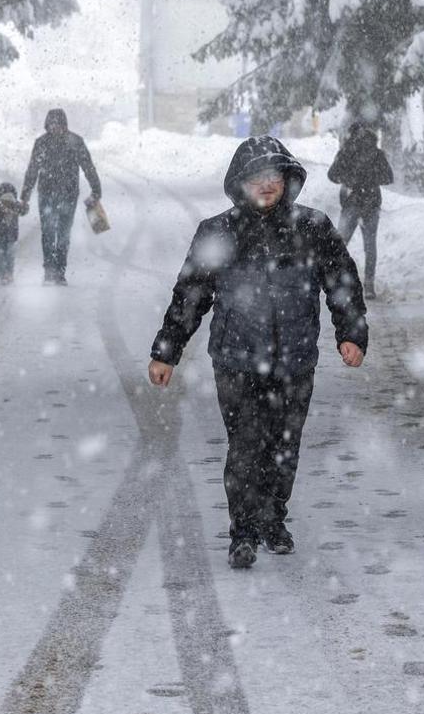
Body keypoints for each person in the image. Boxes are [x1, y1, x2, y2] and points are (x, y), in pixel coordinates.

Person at [147, 136, 369, 570]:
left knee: (285, 447)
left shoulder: (313, 227)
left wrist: (352, 334)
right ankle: (243, 531)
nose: (267, 185)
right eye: (256, 178)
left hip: (295, 359)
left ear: (288, 181)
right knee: (246, 446)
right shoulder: (218, 232)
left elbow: (342, 283)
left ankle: (274, 518)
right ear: (240, 184)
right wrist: (166, 352)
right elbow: (190, 295)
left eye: (274, 176)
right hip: (236, 360)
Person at [20, 108, 102, 285]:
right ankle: (49, 270)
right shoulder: (41, 143)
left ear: (64, 125)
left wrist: (96, 190)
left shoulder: (75, 142)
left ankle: (60, 271)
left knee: (63, 234)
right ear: (47, 125)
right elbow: (32, 170)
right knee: (48, 232)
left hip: (68, 195)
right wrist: (25, 196)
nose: (55, 128)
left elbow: (88, 167)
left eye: (58, 124)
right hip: (46, 194)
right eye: (52, 124)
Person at [326, 122, 394, 294]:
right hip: (371, 203)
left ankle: (335, 280)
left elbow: (332, 175)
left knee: (341, 243)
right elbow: (388, 177)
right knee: (370, 246)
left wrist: (349, 180)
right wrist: (371, 181)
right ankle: (369, 284)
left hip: (351, 201)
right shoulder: (377, 153)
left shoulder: (347, 151)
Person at [0, 182, 23, 285]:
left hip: (0, 235)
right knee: (9, 255)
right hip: (10, 235)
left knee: (2, 255)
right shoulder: (15, 206)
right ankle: (8, 273)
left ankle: (4, 274)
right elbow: (24, 210)